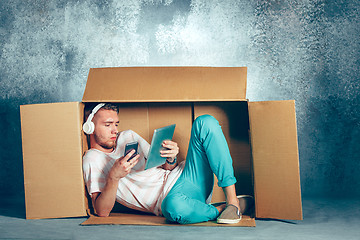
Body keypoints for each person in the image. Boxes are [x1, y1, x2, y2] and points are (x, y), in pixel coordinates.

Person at [82, 103, 253, 224]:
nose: (115, 130)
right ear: (89, 127)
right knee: (172, 207)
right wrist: (114, 177)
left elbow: (165, 167)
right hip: (172, 200)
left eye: (116, 124)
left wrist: (170, 158)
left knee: (205, 122)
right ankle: (221, 209)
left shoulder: (128, 136)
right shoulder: (92, 159)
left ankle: (232, 202)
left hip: (188, 176)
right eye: (107, 125)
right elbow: (101, 211)